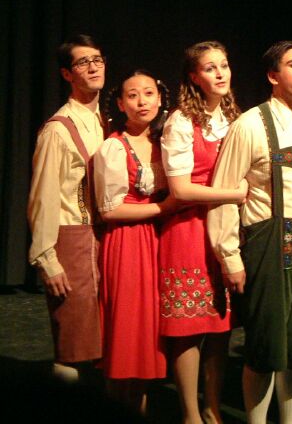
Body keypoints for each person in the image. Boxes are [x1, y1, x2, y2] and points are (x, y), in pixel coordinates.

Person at [208, 40, 292, 423]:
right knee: (265, 346)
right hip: (266, 244)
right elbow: (223, 194)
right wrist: (229, 257)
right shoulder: (249, 125)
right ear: (272, 76)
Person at [160, 41, 247, 424]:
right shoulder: (181, 122)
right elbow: (180, 190)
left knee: (219, 325)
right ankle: (191, 414)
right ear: (194, 77)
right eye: (210, 68)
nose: (220, 73)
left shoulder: (233, 118)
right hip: (188, 231)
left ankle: (213, 409)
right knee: (189, 325)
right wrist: (234, 194)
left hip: (225, 228)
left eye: (224, 65)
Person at [94, 69, 176, 414]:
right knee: (128, 324)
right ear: (120, 103)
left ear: (160, 99)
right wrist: (163, 208)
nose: (142, 101)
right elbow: (109, 210)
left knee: (149, 328)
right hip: (128, 241)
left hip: (159, 239)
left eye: (148, 93)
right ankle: (118, 408)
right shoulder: (114, 147)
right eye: (132, 95)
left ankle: (139, 407)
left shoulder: (165, 143)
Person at [27, 34, 106, 382]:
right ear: (66, 74)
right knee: (74, 343)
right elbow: (42, 198)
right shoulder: (57, 131)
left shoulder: (108, 122)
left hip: (106, 239)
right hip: (72, 241)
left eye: (97, 59)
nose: (93, 67)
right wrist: (48, 259)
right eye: (83, 62)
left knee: (104, 342)